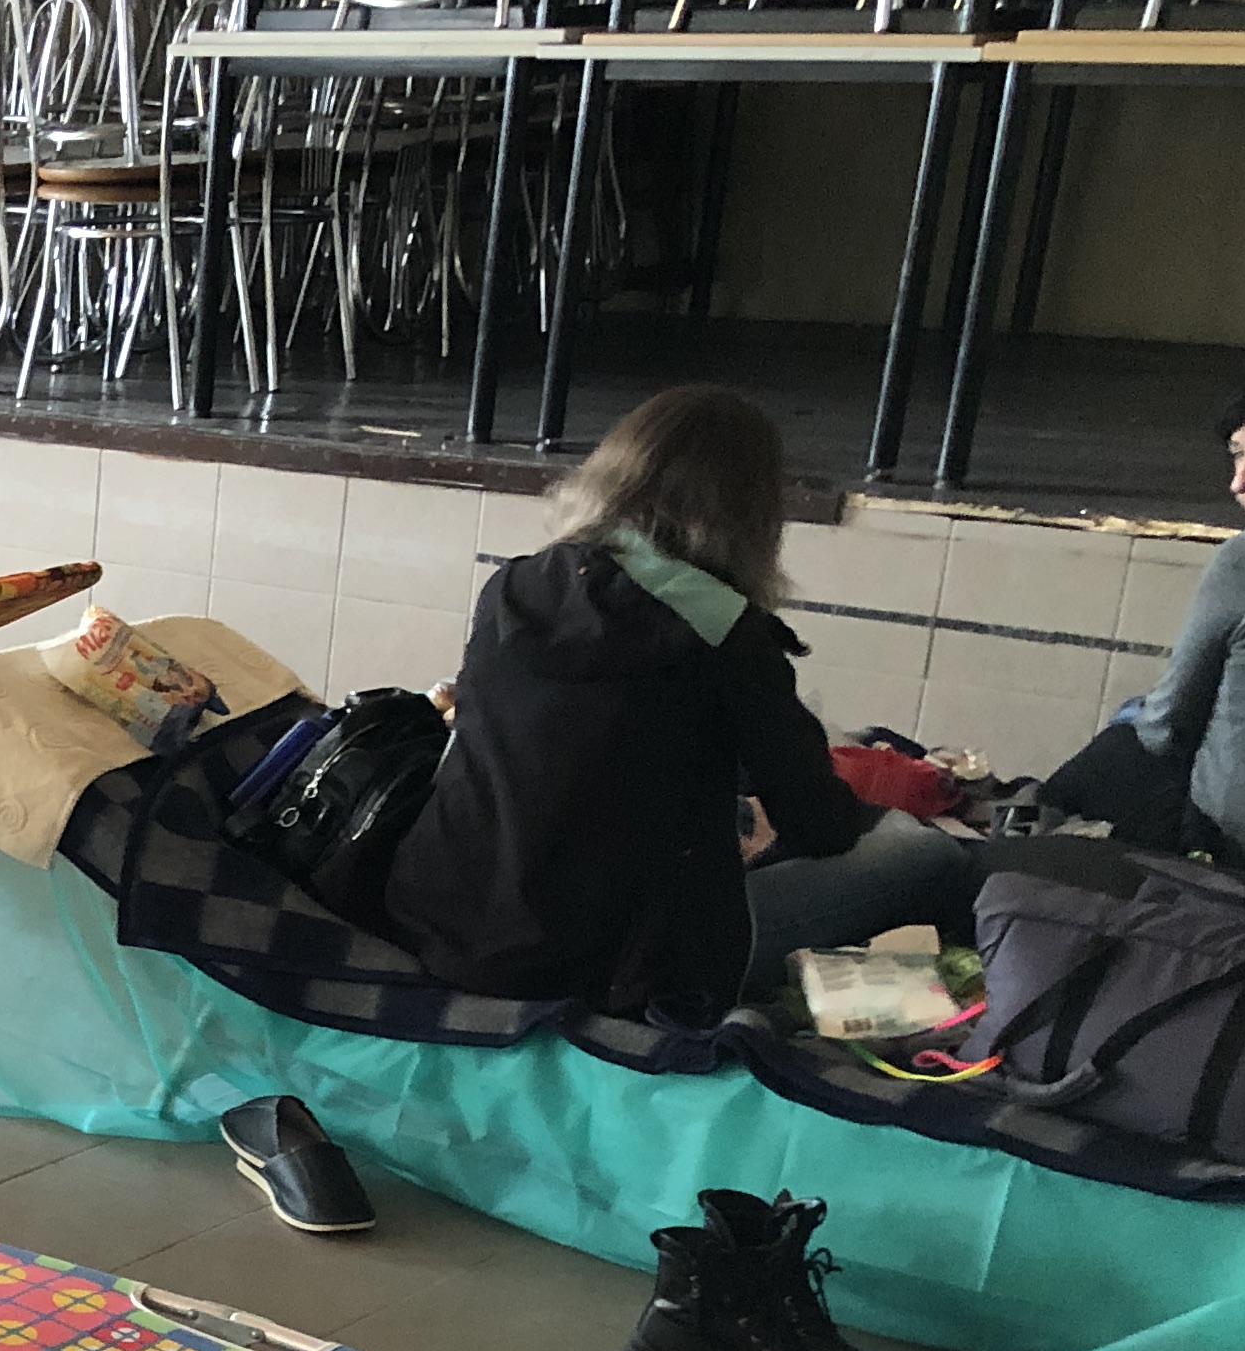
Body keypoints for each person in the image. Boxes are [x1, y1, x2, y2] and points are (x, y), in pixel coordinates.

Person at [381, 383, 974, 1013]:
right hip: (612, 965)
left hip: (441, 921)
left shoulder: (512, 587)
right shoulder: (728, 636)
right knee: (924, 852)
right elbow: (819, 825)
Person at [1033, 353, 1245, 873]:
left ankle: (1020, 844)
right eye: (1238, 454)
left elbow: (1166, 729)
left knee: (1130, 726)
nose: (1242, 482)